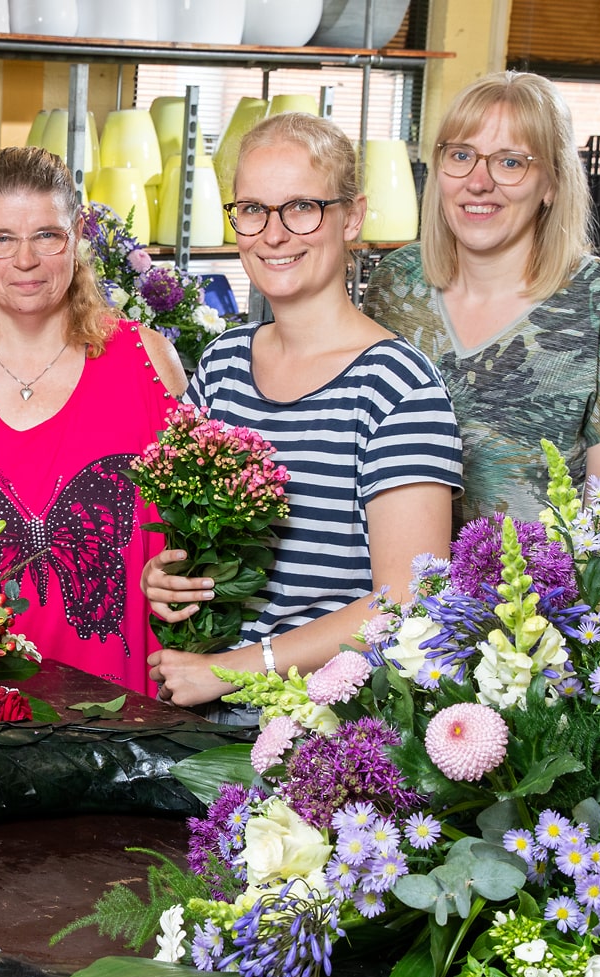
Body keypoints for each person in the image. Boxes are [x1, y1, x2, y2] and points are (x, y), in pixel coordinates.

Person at [144, 113, 464, 710]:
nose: (273, 234)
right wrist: (163, 578)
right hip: (203, 700)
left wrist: (238, 670)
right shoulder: (222, 365)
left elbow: (409, 602)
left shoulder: (397, 386)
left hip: (326, 729)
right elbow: (185, 537)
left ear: (352, 217)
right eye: (253, 210)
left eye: (301, 208)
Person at [0, 146, 187, 693]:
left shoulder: (148, 362)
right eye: (2, 239)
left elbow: (196, 539)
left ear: (76, 234)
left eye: (47, 235)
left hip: (120, 709)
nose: (26, 261)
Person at [362, 71, 600, 524]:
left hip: (536, 591)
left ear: (552, 183)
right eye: (461, 155)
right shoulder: (396, 284)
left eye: (510, 162)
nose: (478, 182)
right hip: (396, 589)